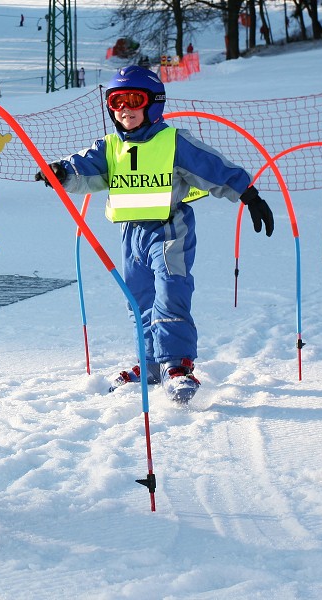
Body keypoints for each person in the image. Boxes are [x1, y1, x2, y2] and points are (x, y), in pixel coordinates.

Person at [34, 66, 274, 404]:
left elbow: (212, 168)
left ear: (154, 103)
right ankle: (149, 364)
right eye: (116, 101)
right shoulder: (110, 147)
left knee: (170, 293)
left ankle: (177, 366)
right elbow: (84, 168)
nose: (124, 109)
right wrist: (61, 171)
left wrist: (248, 195)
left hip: (169, 229)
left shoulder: (172, 141)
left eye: (134, 100)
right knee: (139, 300)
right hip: (131, 234)